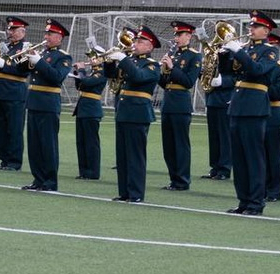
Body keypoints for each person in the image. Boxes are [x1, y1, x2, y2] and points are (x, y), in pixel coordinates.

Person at [216, 11, 279, 216]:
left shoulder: (269, 51)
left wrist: (238, 51)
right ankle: (243, 201)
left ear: (266, 30)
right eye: (250, 26)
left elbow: (257, 70)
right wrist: (224, 54)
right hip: (238, 106)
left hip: (254, 108)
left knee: (253, 157)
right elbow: (230, 72)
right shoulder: (244, 48)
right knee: (240, 158)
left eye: (255, 27)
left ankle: (255, 202)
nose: (250, 29)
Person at [107, 27, 162, 203]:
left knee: (135, 156)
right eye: (136, 41)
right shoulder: (131, 61)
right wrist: (109, 61)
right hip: (124, 112)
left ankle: (136, 193)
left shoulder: (152, 65)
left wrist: (123, 59)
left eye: (140, 42)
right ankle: (124, 192)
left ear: (149, 46)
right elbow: (112, 76)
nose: (135, 44)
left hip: (138, 114)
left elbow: (138, 77)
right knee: (122, 156)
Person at [22, 19, 73, 191]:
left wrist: (38, 61)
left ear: (59, 37)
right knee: (34, 145)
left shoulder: (64, 57)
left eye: (50, 34)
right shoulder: (42, 54)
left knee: (47, 144)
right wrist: (24, 57)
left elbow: (57, 76)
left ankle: (50, 181)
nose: (46, 37)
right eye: (46, 33)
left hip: (48, 104)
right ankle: (38, 179)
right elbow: (21, 71)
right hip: (34, 102)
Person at [158, 21, 202, 191]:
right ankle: (173, 179)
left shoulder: (194, 56)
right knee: (168, 145)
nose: (176, 38)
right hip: (168, 103)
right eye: (175, 35)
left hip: (181, 103)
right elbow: (165, 83)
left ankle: (182, 180)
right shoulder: (174, 54)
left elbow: (188, 82)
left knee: (180, 144)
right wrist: (159, 72)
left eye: (179, 35)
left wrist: (172, 67)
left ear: (189, 36)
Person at [0, 16, 31, 171]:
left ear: (22, 31)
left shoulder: (25, 48)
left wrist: (4, 66)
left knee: (14, 129)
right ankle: (4, 159)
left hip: (15, 92)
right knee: (0, 129)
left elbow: (23, 70)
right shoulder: (6, 47)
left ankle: (14, 162)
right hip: (0, 92)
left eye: (14, 30)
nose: (10, 32)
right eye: (10, 29)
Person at [72, 51, 107, 180]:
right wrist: (77, 72)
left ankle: (92, 172)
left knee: (91, 143)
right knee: (81, 142)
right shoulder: (92, 72)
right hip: (83, 109)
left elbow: (87, 82)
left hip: (92, 110)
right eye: (90, 58)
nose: (91, 60)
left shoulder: (102, 72)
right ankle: (83, 171)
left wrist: (81, 70)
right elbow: (80, 86)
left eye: (94, 58)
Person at [264, 33, 280, 202]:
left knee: (273, 155)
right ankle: (261, 187)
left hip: (273, 114)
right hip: (256, 113)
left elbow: (277, 93)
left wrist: (261, 80)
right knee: (259, 155)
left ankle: (274, 191)